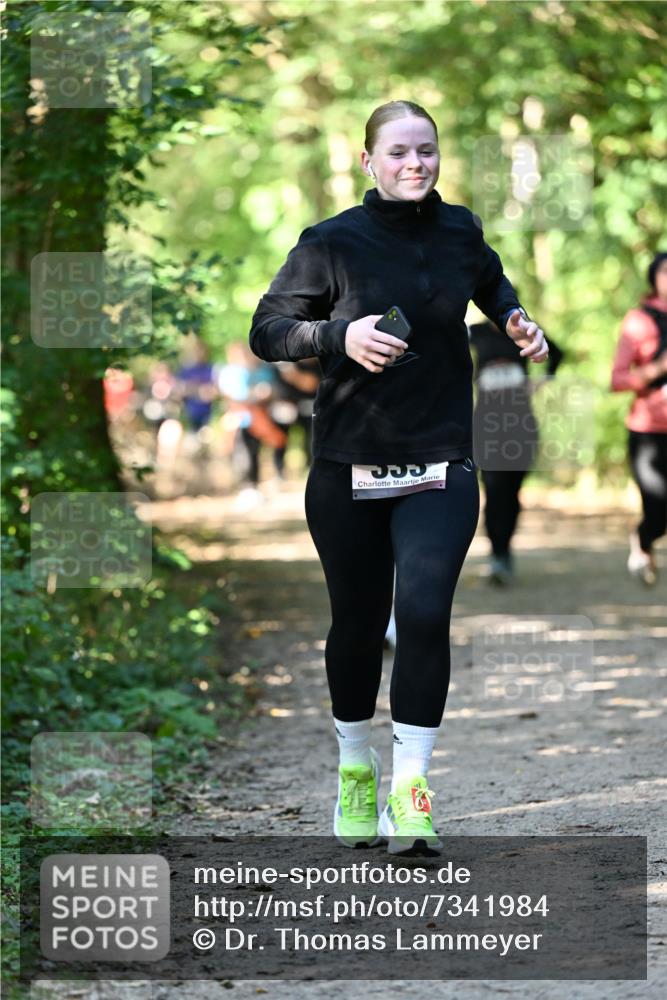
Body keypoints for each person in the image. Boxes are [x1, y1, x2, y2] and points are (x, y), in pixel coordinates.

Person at [249, 101, 549, 855]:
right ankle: (356, 768)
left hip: (441, 460)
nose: (414, 163)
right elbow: (267, 331)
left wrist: (516, 320)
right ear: (368, 162)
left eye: (426, 150)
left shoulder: (460, 231)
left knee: (420, 615)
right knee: (356, 625)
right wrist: (336, 334)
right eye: (398, 152)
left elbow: (493, 286)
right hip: (347, 465)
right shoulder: (330, 242)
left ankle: (411, 792)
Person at [469, 314, 564, 584]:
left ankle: (506, 549)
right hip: (486, 424)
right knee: (494, 488)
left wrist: (543, 380)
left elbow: (557, 353)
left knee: (512, 491)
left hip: (520, 423)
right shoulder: (474, 333)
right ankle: (497, 554)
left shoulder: (523, 331)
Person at [611, 251, 667, 586]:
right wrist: (658, 369)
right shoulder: (638, 321)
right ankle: (644, 540)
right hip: (649, 433)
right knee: (658, 511)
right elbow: (617, 379)